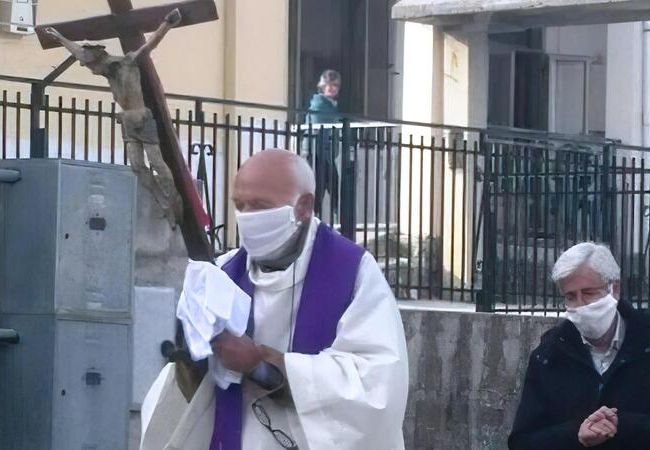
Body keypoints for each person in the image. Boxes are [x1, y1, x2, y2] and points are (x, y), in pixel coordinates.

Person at [140, 149, 409, 450]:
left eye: (260, 206)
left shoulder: (352, 271)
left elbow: (376, 386)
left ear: (303, 206)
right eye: (240, 206)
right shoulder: (222, 272)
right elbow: (182, 393)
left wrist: (260, 365)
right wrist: (193, 354)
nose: (246, 218)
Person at [508, 242, 650, 449]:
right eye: (570, 296)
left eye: (588, 292)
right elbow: (523, 441)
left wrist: (622, 425)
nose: (581, 305)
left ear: (614, 288)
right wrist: (576, 435)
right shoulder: (548, 357)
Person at [44, 10, 183, 226]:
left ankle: (174, 201)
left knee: (157, 163)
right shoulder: (107, 71)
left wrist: (168, 22)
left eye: (89, 62)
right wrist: (61, 38)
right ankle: (161, 202)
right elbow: (79, 52)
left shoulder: (128, 61)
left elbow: (151, 43)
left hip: (142, 118)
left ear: (99, 56)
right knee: (137, 166)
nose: (88, 66)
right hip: (127, 121)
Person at [305, 70, 342, 214]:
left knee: (333, 188)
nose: (332, 88)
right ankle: (314, 223)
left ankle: (330, 221)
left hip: (326, 153)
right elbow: (319, 129)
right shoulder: (320, 104)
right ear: (322, 86)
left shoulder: (331, 105)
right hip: (317, 153)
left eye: (335, 85)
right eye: (329, 85)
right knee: (319, 191)